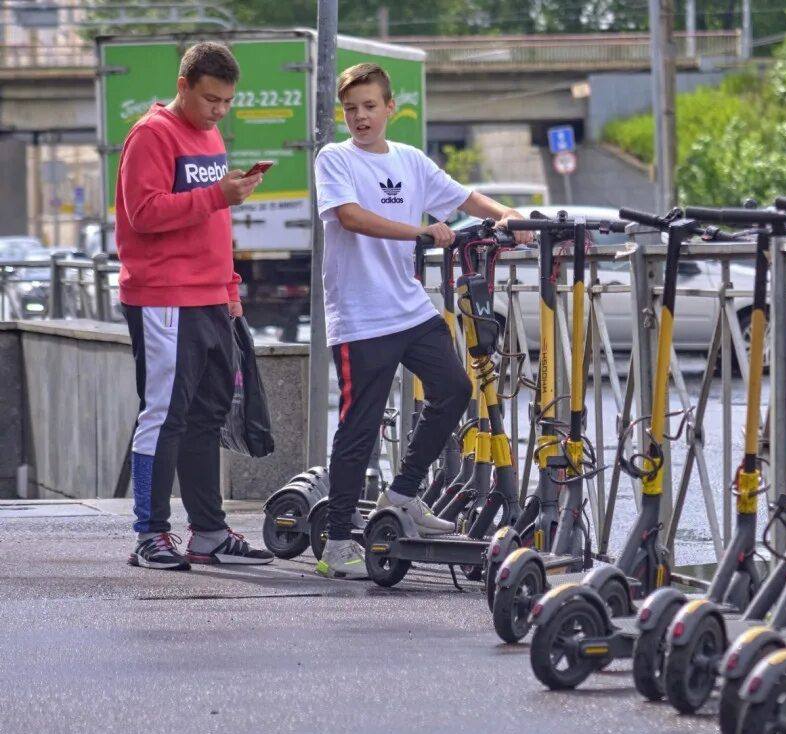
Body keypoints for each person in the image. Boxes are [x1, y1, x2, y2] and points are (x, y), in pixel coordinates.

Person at [312, 62, 532, 579]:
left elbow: (464, 198)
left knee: (454, 390)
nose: (360, 118)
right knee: (359, 428)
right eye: (351, 110)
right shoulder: (334, 158)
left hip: (408, 309)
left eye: (370, 107)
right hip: (360, 318)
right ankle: (338, 543)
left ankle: (403, 494)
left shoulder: (409, 160)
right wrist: (420, 233)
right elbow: (349, 217)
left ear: (391, 108)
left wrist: (511, 216)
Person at [117, 42, 274, 570]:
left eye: (227, 101)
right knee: (164, 415)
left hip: (209, 298)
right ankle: (149, 533)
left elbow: (214, 225)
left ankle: (207, 531)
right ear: (183, 85)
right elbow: (144, 213)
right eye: (211, 99)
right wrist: (219, 196)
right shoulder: (151, 134)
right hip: (164, 298)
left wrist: (231, 290)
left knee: (207, 416)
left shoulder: (207, 135)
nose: (219, 111)